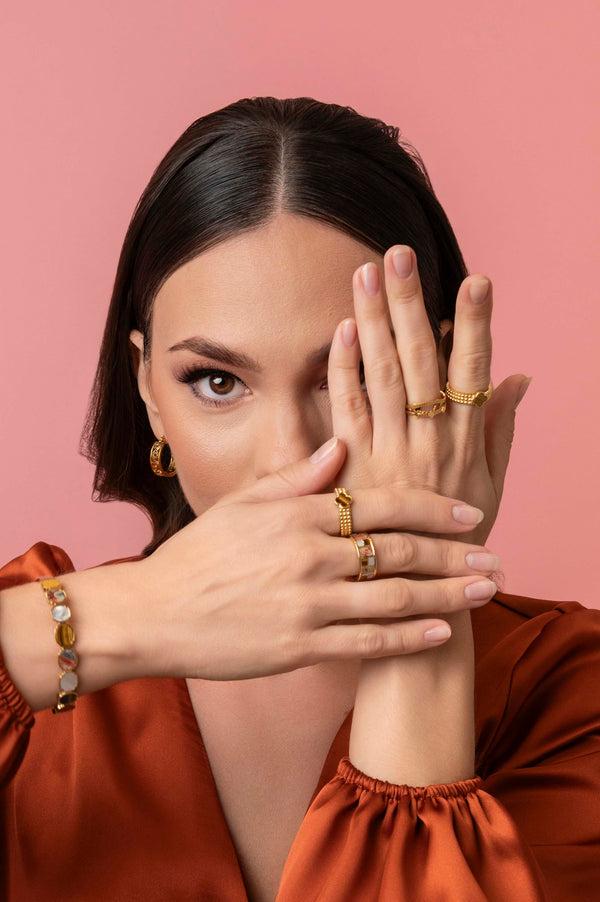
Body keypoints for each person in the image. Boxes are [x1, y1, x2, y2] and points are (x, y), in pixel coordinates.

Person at [0, 97, 598, 902]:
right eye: (217, 382)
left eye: (344, 379)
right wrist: (122, 617)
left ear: (444, 382)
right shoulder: (34, 663)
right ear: (146, 388)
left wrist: (417, 636)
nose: (290, 457)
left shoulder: (568, 695)